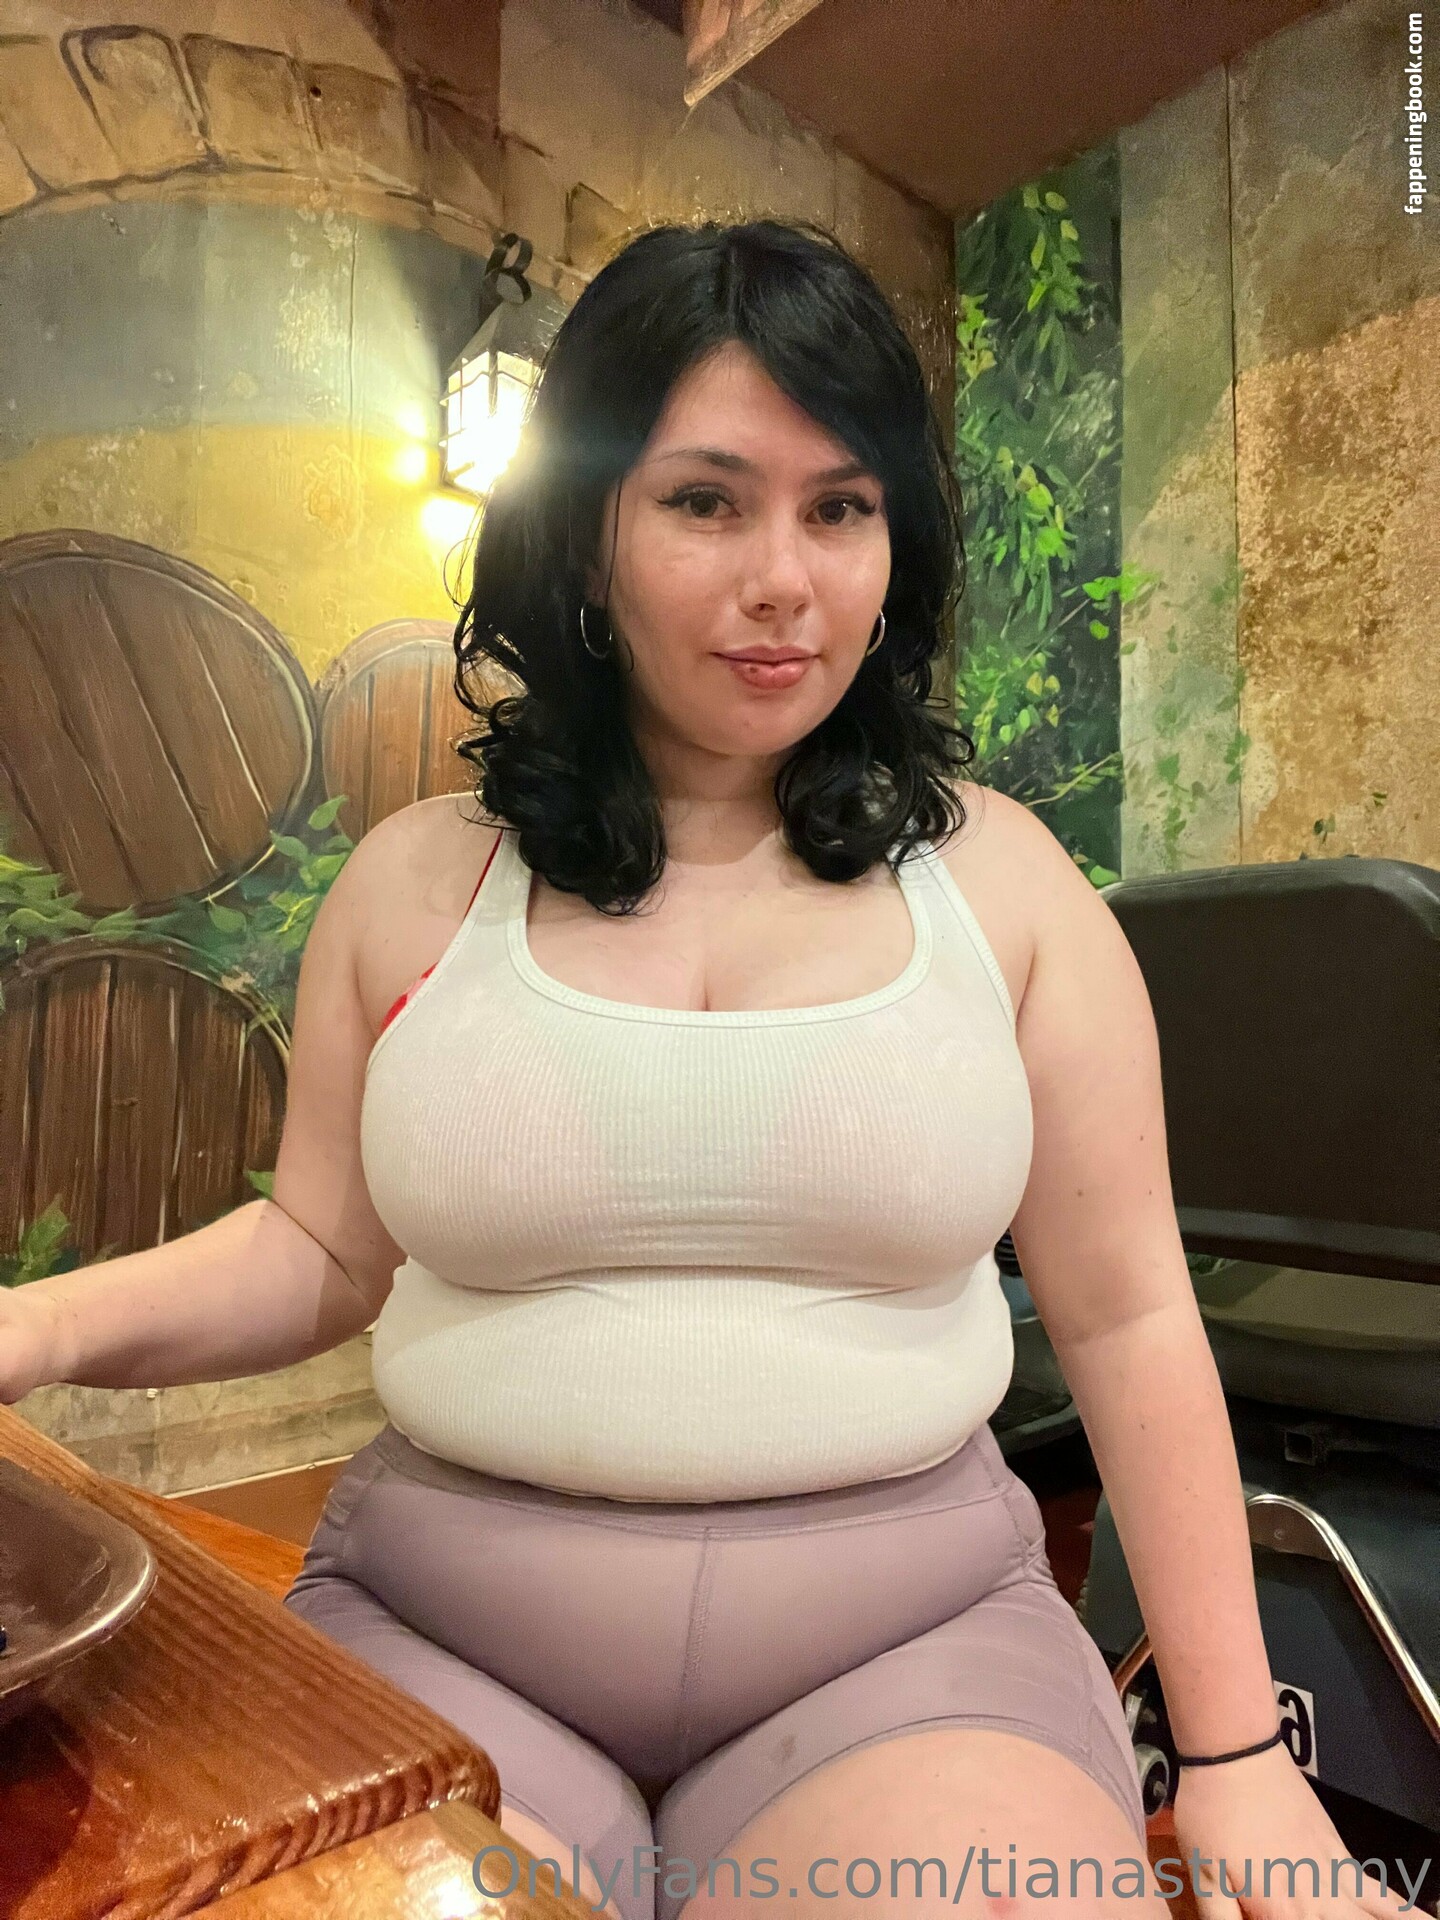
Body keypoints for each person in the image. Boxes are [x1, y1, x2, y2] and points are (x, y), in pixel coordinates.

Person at [2, 221, 1410, 1920]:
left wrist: (1243, 1758)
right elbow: (318, 1250)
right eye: (705, 501)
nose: (783, 580)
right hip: (453, 1630)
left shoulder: (1010, 888)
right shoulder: (416, 880)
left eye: (841, 508)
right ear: (587, 533)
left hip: (908, 1650)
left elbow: (1124, 1318)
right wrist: (32, 1332)